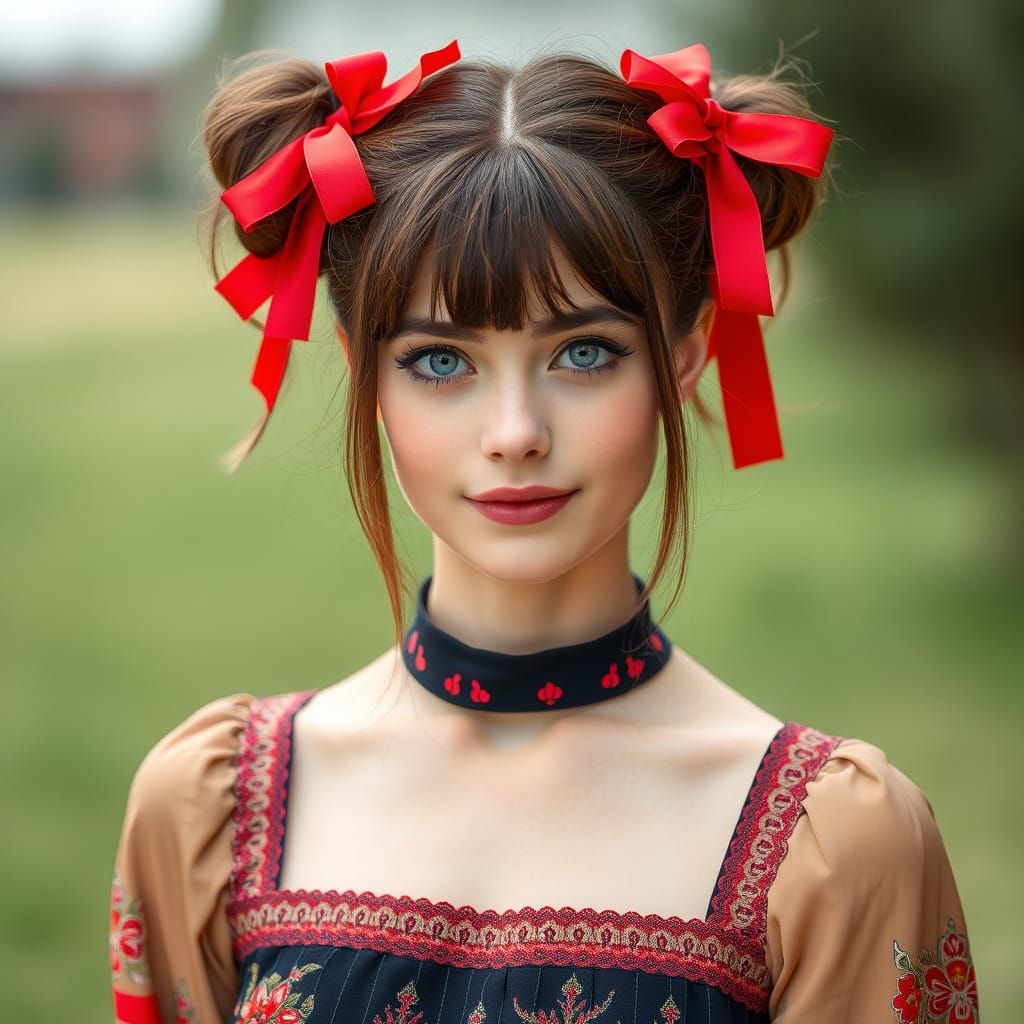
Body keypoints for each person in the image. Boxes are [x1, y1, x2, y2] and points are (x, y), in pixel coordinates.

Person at [108, 37, 978, 1024]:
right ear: (361, 368)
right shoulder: (209, 812)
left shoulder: (839, 845)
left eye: (583, 353)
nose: (514, 433)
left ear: (684, 356)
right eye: (441, 361)